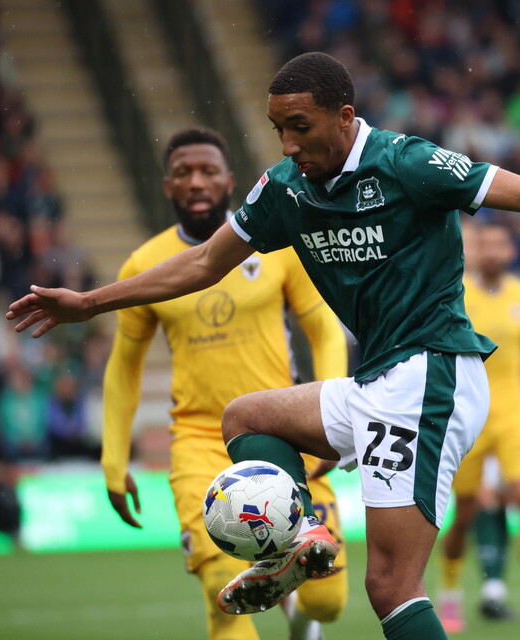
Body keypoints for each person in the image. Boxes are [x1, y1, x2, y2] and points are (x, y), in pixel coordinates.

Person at [8, 52, 520, 640]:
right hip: (378, 382)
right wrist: (88, 304)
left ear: (345, 118)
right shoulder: (285, 188)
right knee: (246, 418)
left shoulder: (406, 163)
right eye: (277, 128)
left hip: (430, 375)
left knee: (391, 586)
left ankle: (299, 543)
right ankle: (298, 536)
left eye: (299, 127)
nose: (287, 144)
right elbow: (201, 264)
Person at [100, 127, 349, 640]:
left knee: (326, 601)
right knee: (223, 586)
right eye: (183, 173)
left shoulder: (278, 245)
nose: (196, 182)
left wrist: (327, 416)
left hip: (284, 437)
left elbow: (323, 326)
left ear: (230, 182)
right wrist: (113, 458)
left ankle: (299, 613)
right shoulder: (145, 265)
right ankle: (273, 586)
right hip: (199, 443)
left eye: (208, 171)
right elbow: (123, 366)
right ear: (167, 186)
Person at [438, 223, 520, 632]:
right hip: (466, 416)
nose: (492, 252)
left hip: (514, 413)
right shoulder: (455, 294)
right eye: (485, 244)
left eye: (500, 244)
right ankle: (451, 595)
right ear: (475, 251)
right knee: (464, 514)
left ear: (512, 251)